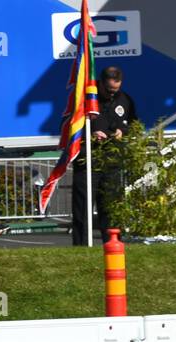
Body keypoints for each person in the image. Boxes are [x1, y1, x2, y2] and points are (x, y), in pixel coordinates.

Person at [72, 65, 137, 245]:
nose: (111, 94)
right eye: (108, 90)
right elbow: (72, 125)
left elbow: (133, 124)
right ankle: (81, 247)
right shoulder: (86, 101)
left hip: (112, 162)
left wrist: (122, 131)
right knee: (82, 209)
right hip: (88, 161)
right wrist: (91, 133)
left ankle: (112, 244)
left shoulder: (125, 100)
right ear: (100, 83)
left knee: (110, 208)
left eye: (115, 90)